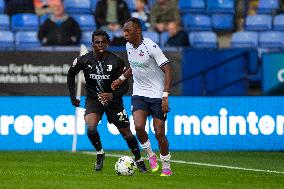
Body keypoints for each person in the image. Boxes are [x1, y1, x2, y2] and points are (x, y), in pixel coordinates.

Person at [67, 30, 147, 173]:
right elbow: (71, 74)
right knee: (91, 127)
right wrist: (73, 96)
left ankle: (139, 160)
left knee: (127, 133)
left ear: (108, 43)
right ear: (92, 44)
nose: (100, 45)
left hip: (114, 101)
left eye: (103, 42)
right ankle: (100, 153)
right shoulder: (84, 60)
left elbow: (126, 85)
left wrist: (113, 95)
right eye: (97, 42)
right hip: (94, 99)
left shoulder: (116, 61)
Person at [111, 17, 173, 176]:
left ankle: (166, 165)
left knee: (159, 132)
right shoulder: (128, 46)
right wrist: (121, 79)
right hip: (139, 93)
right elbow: (134, 66)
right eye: (124, 30)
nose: (124, 34)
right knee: (138, 127)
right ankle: (151, 155)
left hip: (157, 95)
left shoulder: (151, 47)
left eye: (128, 31)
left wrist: (165, 96)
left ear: (138, 31)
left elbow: (168, 70)